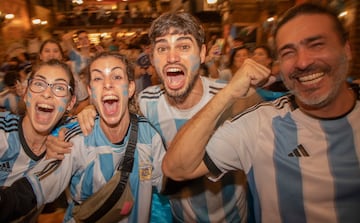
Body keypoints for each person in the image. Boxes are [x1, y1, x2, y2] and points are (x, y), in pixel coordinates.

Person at [161, 3, 360, 223]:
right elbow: (176, 167)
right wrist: (228, 92)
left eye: (316, 45)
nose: (302, 62)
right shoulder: (261, 123)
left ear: (347, 50)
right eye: (288, 52)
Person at [74, 12, 270, 223]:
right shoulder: (147, 102)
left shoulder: (234, 98)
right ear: (152, 59)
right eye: (162, 48)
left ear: (203, 53)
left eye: (184, 46)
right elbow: (116, 109)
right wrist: (91, 111)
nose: (172, 57)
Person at [0, 52, 166, 223]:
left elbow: (165, 191)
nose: (108, 84)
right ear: (90, 91)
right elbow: (36, 188)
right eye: (97, 79)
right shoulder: (74, 138)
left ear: (131, 88)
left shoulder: (149, 134)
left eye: (116, 76)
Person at [0, 59, 76, 187]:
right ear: (25, 95)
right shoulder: (3, 131)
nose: (46, 93)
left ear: (70, 103)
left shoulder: (71, 136)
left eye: (59, 88)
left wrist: (90, 110)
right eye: (39, 84)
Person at [38, 39, 89, 114]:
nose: (51, 54)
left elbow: (84, 101)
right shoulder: (33, 76)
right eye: (47, 51)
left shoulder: (72, 76)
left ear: (61, 56)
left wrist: (71, 115)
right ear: (40, 56)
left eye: (55, 51)